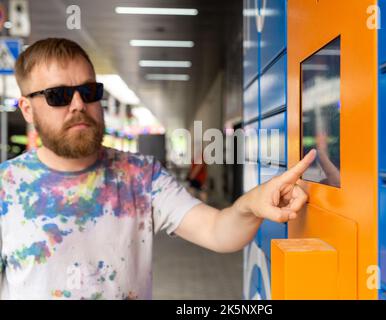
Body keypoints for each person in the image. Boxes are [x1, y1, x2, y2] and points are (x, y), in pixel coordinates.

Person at [0, 38, 316, 300]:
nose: (79, 104)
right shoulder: (6, 188)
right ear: (27, 109)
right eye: (59, 95)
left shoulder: (141, 176)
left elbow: (217, 232)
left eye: (90, 91)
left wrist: (251, 204)